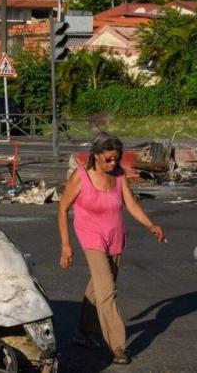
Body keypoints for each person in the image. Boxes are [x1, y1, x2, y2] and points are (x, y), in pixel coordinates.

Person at [57, 132, 166, 365]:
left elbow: (130, 203)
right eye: (108, 158)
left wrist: (150, 224)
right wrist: (66, 246)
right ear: (95, 155)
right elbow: (63, 208)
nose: (113, 163)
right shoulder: (81, 176)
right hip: (91, 237)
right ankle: (117, 346)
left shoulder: (118, 175)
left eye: (116, 158)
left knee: (97, 289)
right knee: (107, 291)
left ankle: (84, 333)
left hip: (115, 237)